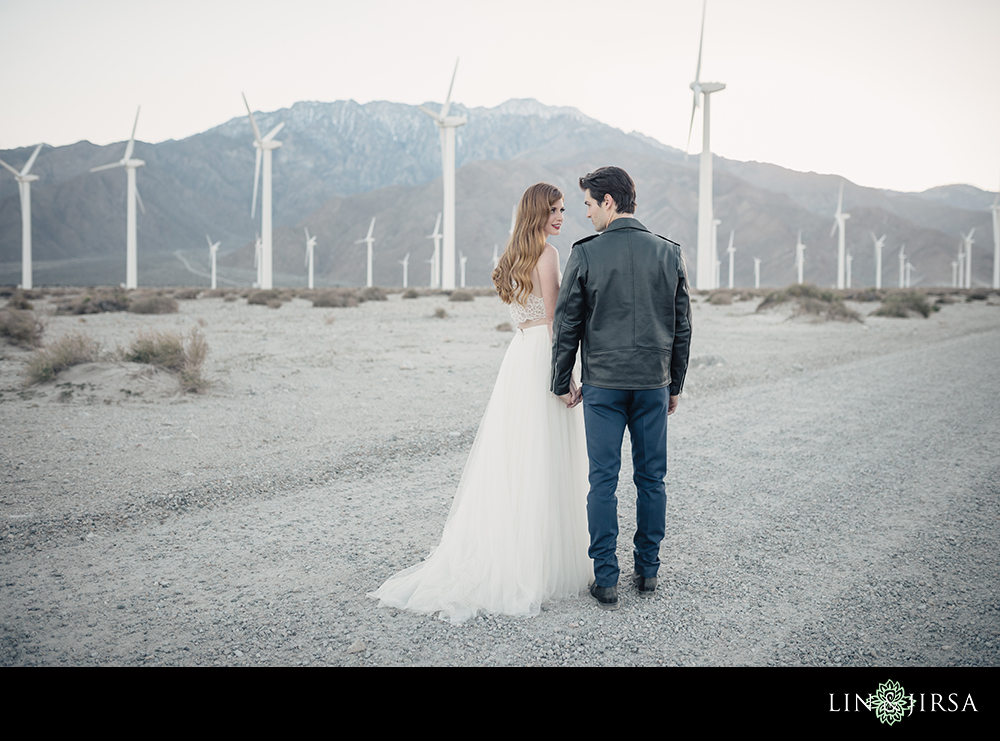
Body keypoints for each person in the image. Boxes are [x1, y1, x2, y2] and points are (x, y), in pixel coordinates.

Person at [368, 183, 592, 624]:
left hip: (518, 358)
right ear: (537, 213)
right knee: (544, 457)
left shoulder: (510, 258)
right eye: (555, 211)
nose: (562, 217)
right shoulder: (547, 256)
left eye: (565, 209)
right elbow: (556, 321)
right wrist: (566, 377)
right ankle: (539, 564)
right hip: (541, 355)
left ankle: (514, 552)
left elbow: (528, 318)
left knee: (516, 460)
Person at [551, 166, 691, 611]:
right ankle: (647, 571)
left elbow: (567, 322)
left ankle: (606, 579)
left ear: (608, 201)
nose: (586, 214)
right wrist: (675, 384)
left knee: (602, 481)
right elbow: (683, 326)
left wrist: (560, 379)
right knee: (652, 478)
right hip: (652, 384)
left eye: (589, 204)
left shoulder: (586, 253)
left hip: (604, 387)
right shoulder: (669, 253)